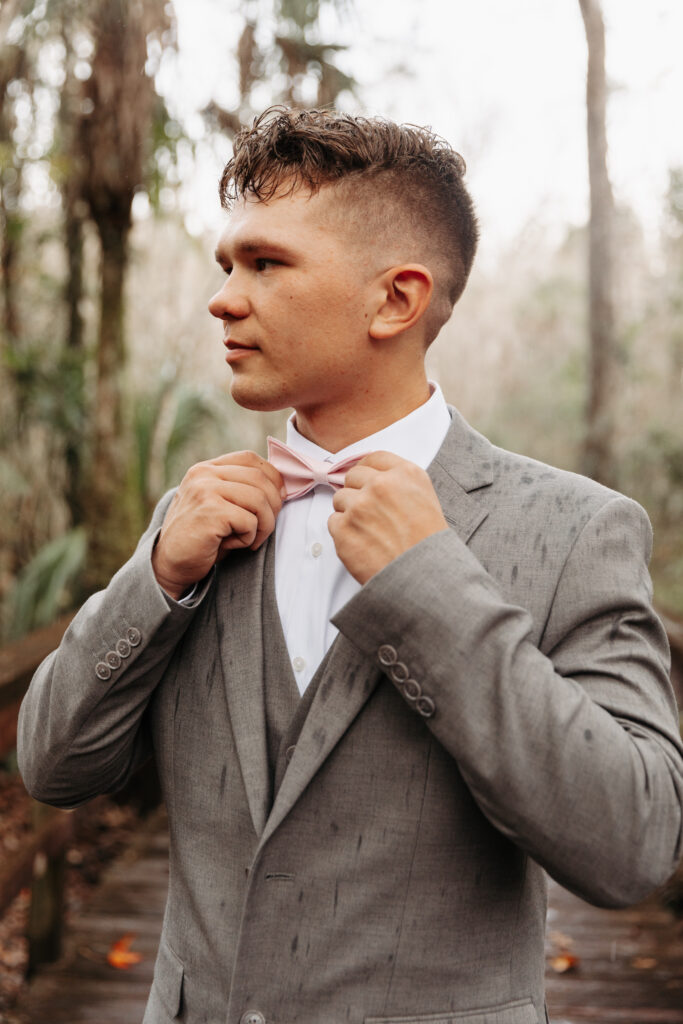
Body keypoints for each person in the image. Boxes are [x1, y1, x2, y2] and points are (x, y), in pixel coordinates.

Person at [18, 107, 683, 1024]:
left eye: (265, 263)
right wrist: (156, 582)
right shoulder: (199, 515)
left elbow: (633, 842)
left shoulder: (577, 530)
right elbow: (51, 767)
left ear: (394, 300)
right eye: (226, 265)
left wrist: (430, 588)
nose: (222, 297)